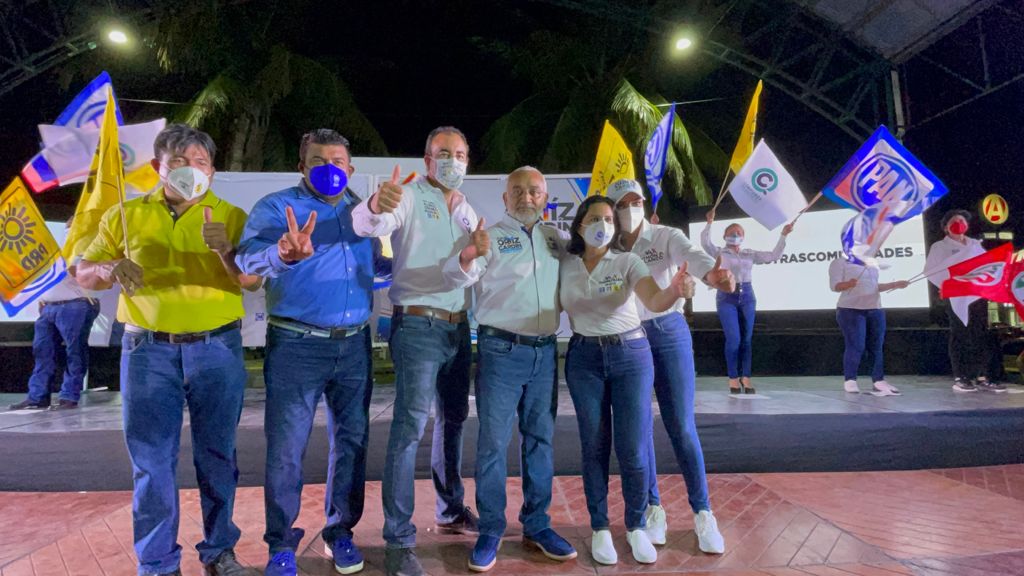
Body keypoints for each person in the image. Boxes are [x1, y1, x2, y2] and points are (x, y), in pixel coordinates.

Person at [76, 124, 261, 576]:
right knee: (152, 461)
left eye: (200, 162)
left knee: (218, 455)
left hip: (217, 348)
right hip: (147, 351)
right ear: (158, 167)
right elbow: (84, 273)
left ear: (212, 171)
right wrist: (110, 266)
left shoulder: (233, 216)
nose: (190, 171)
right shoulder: (125, 214)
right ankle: (158, 563)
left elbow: (254, 280)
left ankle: (220, 553)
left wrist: (226, 252)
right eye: (179, 162)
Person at [236, 129, 390, 576]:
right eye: (318, 160)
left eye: (338, 160)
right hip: (296, 346)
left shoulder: (363, 212)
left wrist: (412, 263)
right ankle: (281, 544)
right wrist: (283, 253)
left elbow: (375, 266)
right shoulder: (275, 207)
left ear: (350, 168)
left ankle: (340, 532)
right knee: (286, 448)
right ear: (301, 166)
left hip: (355, 345)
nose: (330, 167)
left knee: (352, 442)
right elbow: (247, 261)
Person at [352, 126, 479, 576]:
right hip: (419, 325)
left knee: (454, 422)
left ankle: (450, 507)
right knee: (410, 429)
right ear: (427, 160)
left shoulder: (466, 209)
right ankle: (399, 539)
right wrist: (373, 206)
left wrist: (473, 261)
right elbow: (370, 224)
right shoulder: (406, 195)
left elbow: (470, 268)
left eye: (460, 154)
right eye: (444, 153)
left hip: (459, 328)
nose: (453, 161)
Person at [441, 166, 576, 572]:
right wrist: (467, 254)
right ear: (505, 199)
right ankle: (491, 529)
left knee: (540, 441)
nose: (527, 197)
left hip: (545, 352)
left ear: (545, 197)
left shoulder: (558, 239)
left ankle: (536, 525)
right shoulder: (490, 238)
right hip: (500, 351)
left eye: (535, 191)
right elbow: (456, 274)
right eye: (517, 191)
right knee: (493, 444)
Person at [560, 194, 694, 566]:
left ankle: (635, 525)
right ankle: (600, 526)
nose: (602, 225)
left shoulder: (628, 260)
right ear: (579, 224)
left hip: (631, 356)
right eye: (594, 218)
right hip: (584, 359)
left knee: (634, 449)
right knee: (594, 445)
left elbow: (653, 299)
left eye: (608, 218)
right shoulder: (566, 263)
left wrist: (674, 291)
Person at [608, 179, 730, 555]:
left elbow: (693, 256)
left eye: (635, 201)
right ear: (611, 209)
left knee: (680, 425)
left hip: (669, 332)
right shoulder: (607, 246)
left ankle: (703, 512)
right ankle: (653, 507)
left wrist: (711, 275)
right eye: (622, 204)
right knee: (639, 427)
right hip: (629, 338)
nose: (630, 208)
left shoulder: (665, 236)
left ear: (644, 203)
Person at [9, 218, 101, 411]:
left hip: (75, 305)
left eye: (74, 224)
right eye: (69, 224)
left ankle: (69, 396)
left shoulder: (89, 244)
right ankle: (38, 396)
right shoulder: (54, 245)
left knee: (74, 352)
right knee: (43, 352)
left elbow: (85, 273)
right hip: (49, 307)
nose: (68, 227)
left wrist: (68, 264)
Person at [701, 209, 793, 394]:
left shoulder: (749, 254)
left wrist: (783, 235)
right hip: (727, 297)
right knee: (733, 339)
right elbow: (705, 243)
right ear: (725, 236)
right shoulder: (720, 252)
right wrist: (709, 223)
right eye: (732, 233)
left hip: (748, 296)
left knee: (747, 340)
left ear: (743, 237)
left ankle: (746, 378)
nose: (735, 235)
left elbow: (773, 255)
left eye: (739, 233)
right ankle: (733, 378)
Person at [924, 209, 1006, 392]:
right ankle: (962, 376)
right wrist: (951, 283)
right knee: (961, 334)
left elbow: (988, 266)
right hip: (957, 296)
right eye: (954, 221)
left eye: (962, 220)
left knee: (981, 333)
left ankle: (983, 375)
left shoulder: (975, 245)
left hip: (977, 294)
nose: (959, 223)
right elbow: (932, 271)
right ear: (946, 227)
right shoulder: (940, 247)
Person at [829, 254, 909, 395]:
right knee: (856, 345)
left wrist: (895, 285)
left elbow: (873, 287)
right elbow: (835, 286)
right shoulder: (839, 262)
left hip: (875, 309)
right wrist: (848, 284)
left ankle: (878, 380)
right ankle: (850, 379)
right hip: (850, 309)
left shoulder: (872, 263)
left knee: (876, 346)